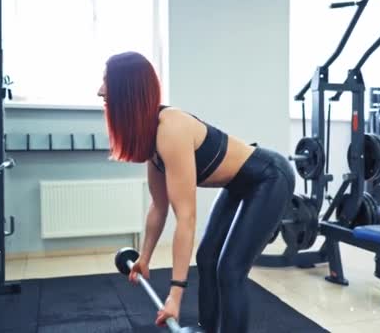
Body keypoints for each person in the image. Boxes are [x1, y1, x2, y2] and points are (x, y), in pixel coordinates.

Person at [97, 51, 295, 333]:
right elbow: (158, 206)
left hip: (270, 177)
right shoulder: (150, 137)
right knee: (206, 259)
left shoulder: (171, 128)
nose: (100, 90)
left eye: (107, 82)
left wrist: (174, 296)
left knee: (230, 270)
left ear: (128, 90)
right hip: (240, 183)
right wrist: (145, 257)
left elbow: (186, 217)